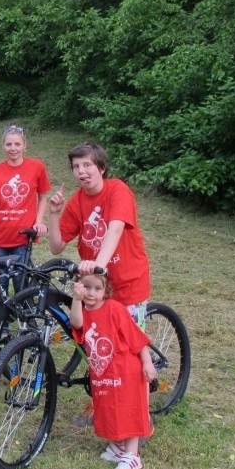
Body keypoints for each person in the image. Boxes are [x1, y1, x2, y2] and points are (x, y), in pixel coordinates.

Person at [47, 141, 152, 426]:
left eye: (87, 165)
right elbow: (56, 246)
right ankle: (103, 403)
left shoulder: (117, 189)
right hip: (97, 291)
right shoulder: (78, 201)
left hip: (128, 283)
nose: (81, 171)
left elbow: (115, 227)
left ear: (101, 168)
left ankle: (135, 419)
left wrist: (100, 264)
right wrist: (54, 214)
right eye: (76, 167)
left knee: (129, 356)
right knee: (100, 349)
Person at [69, 272, 156, 469]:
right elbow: (76, 324)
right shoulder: (83, 311)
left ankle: (132, 455)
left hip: (127, 370)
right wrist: (75, 298)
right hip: (104, 372)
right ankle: (119, 447)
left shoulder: (115, 309)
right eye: (86, 287)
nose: (91, 293)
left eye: (97, 289)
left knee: (129, 410)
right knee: (109, 408)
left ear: (106, 290)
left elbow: (137, 337)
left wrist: (147, 362)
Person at [0, 124, 51, 293]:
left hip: (22, 235)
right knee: (0, 284)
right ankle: (3, 319)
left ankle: (23, 317)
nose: (13, 148)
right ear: (3, 146)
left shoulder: (36, 167)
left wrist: (39, 221)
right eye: (9, 144)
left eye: (17, 144)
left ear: (24, 146)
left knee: (21, 282)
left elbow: (42, 196)